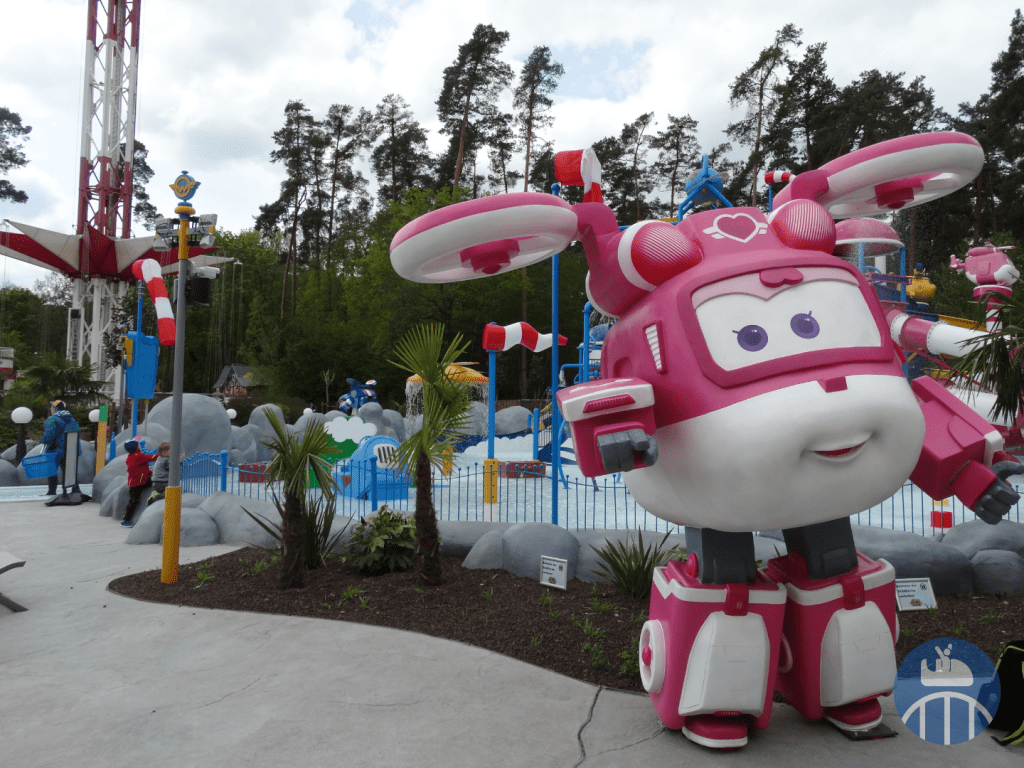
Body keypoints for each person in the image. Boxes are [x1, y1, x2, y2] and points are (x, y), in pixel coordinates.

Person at [40, 399, 80, 496]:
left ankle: (52, 491)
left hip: (55, 448)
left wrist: (43, 440)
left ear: (54, 409)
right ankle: (75, 488)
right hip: (70, 448)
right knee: (69, 469)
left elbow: (49, 434)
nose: (50, 409)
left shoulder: (53, 419)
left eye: (51, 407)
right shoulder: (72, 419)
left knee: (52, 469)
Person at [122, 439, 157, 527]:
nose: (140, 446)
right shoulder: (138, 456)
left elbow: (139, 469)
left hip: (139, 481)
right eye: (138, 445)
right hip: (137, 483)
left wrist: (150, 472)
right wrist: (163, 455)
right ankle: (125, 520)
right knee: (134, 501)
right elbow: (152, 457)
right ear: (136, 447)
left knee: (134, 501)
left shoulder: (131, 456)